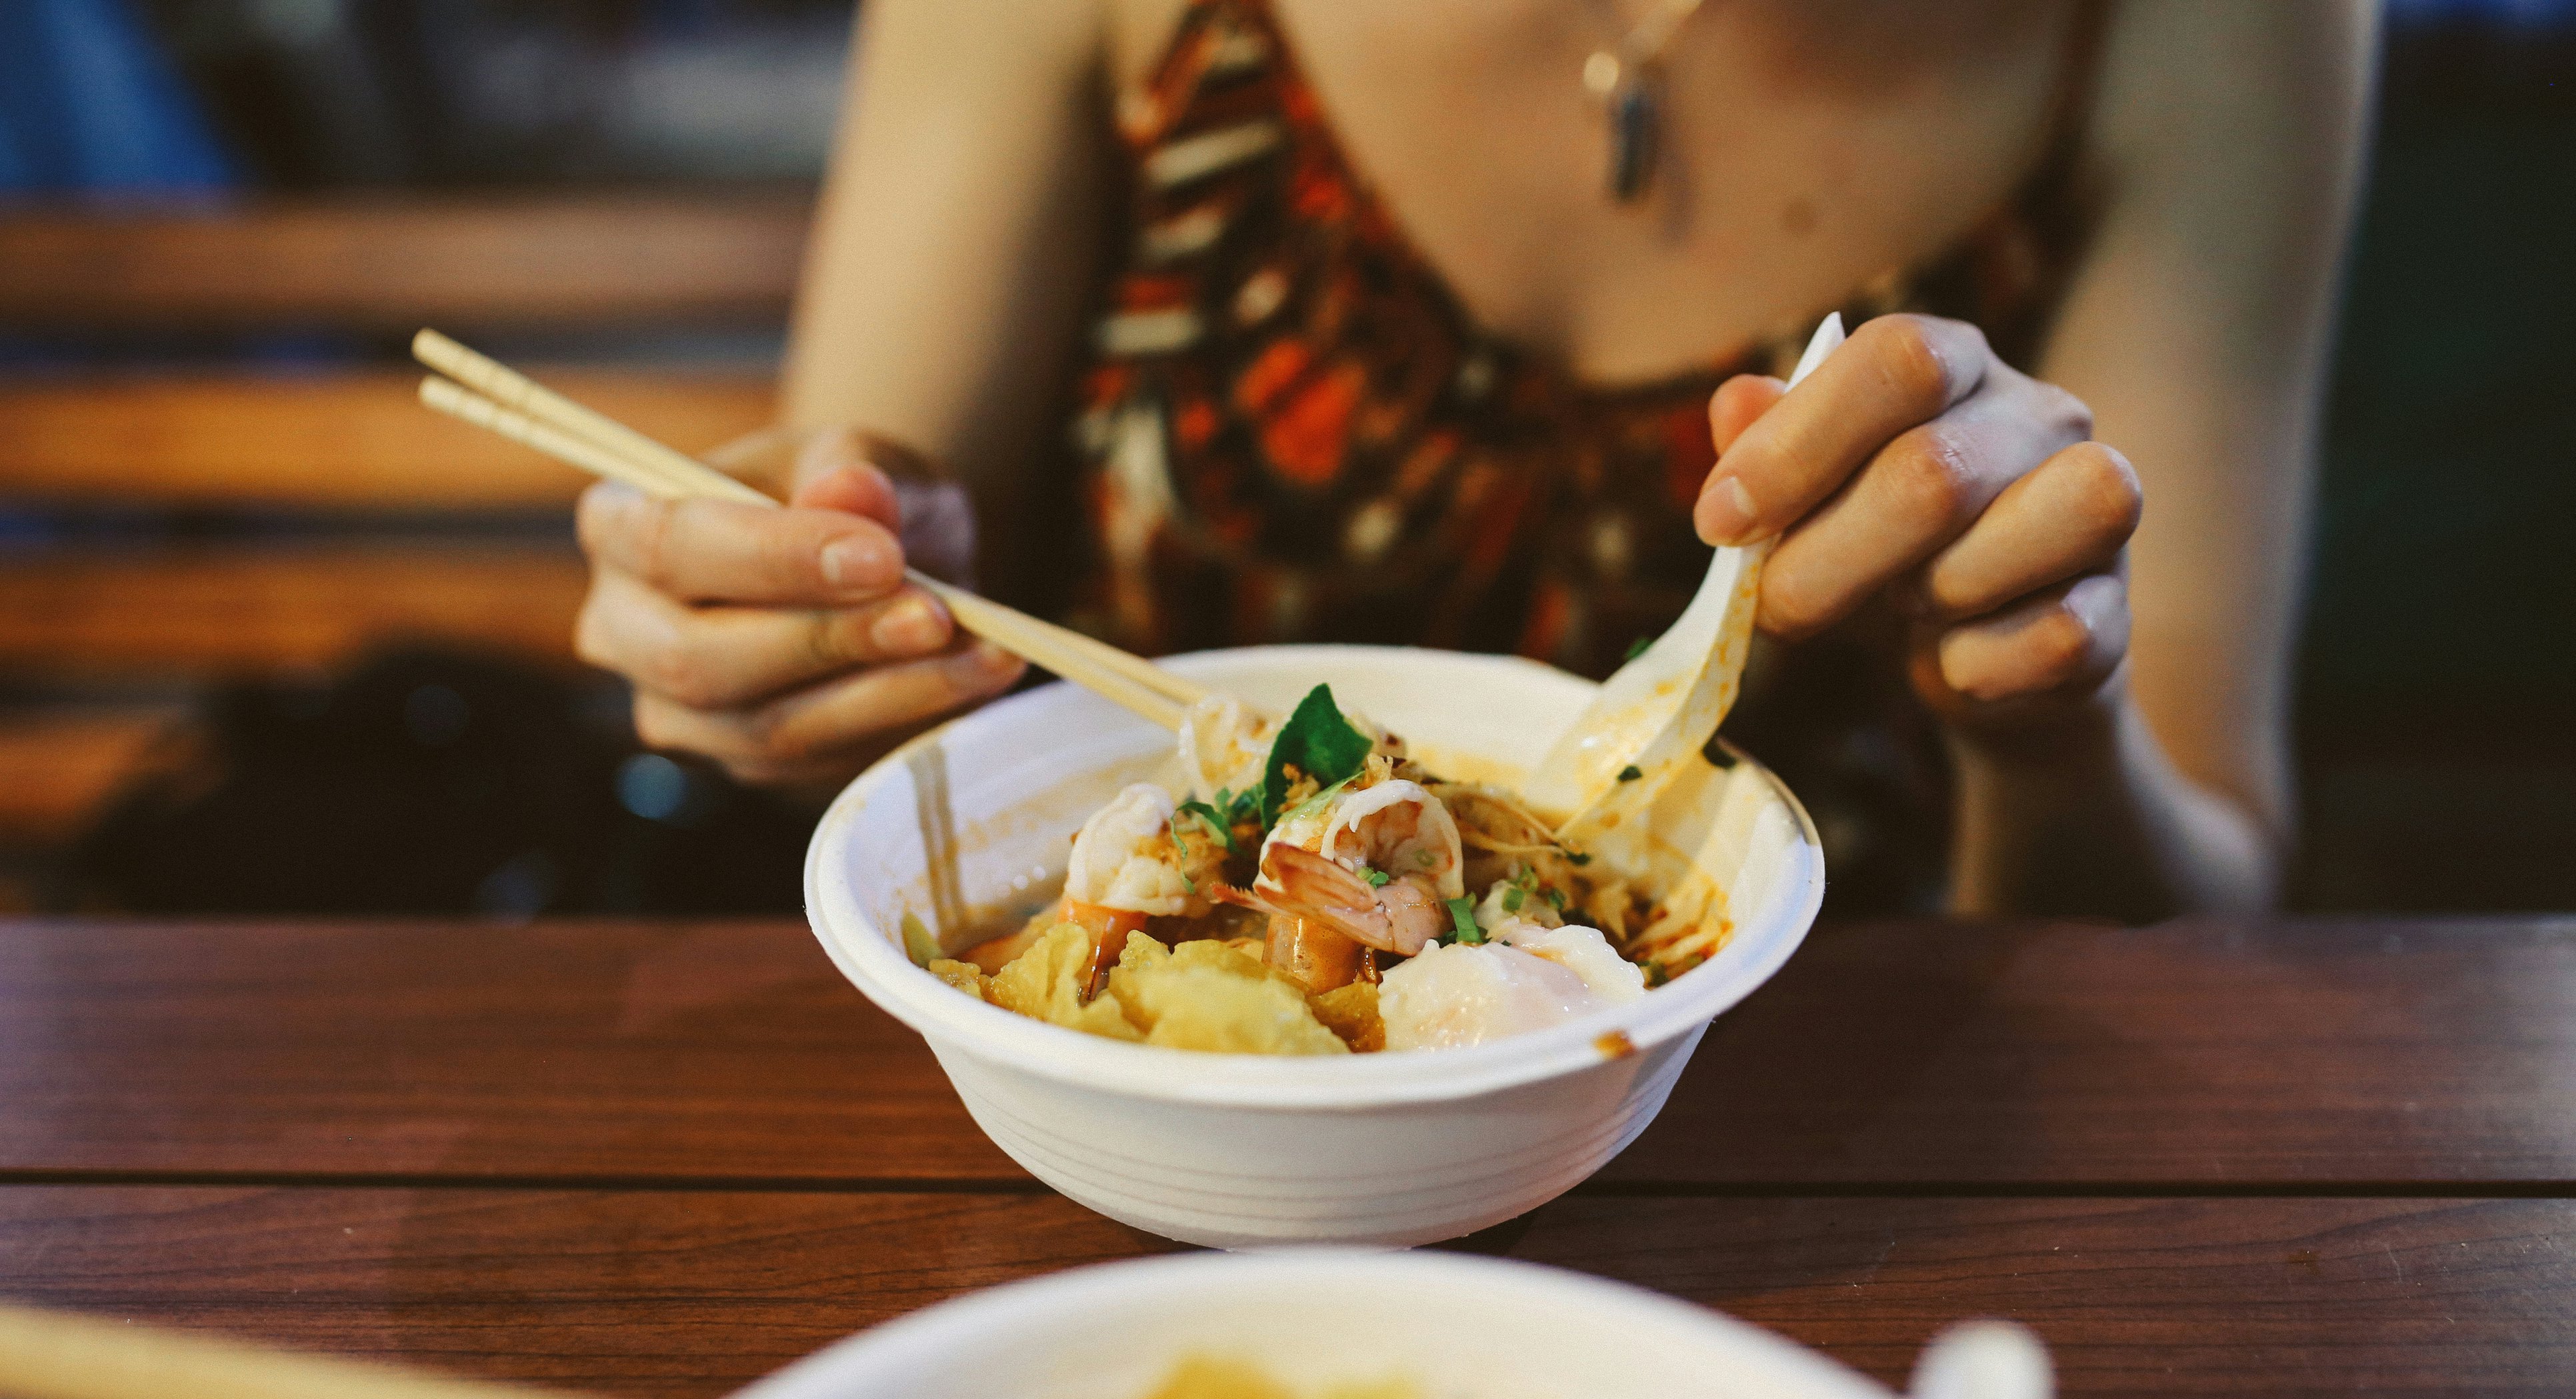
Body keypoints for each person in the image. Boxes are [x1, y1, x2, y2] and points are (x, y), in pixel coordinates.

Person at [572, 0, 2373, 918]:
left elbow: (2206, 896)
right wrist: (803, 603)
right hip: (1118, 1125)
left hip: (1847, 1163)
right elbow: (859, 610)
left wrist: (2042, 709)